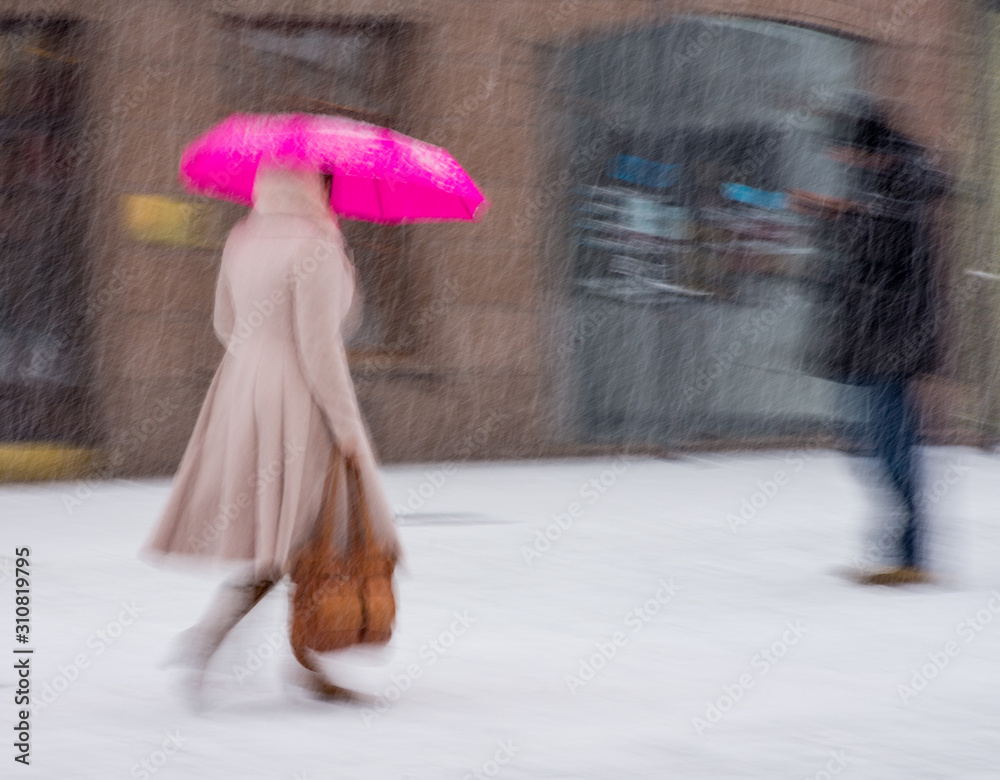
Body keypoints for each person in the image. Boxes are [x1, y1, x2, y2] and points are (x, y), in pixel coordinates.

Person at [142, 165, 401, 699]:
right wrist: (347, 426)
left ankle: (275, 657)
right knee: (306, 533)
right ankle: (276, 655)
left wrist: (262, 346)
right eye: (332, 185)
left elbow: (223, 322)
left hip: (242, 388)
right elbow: (319, 344)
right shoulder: (318, 243)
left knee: (283, 534)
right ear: (318, 186)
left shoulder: (241, 238)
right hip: (300, 396)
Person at [789, 96, 947, 586]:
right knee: (870, 445)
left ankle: (908, 556)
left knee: (891, 448)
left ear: (866, 148)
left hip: (888, 341)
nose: (839, 159)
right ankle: (900, 553)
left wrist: (833, 215)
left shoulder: (902, 185)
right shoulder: (885, 184)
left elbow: (884, 251)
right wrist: (838, 215)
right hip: (870, 340)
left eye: (844, 150)